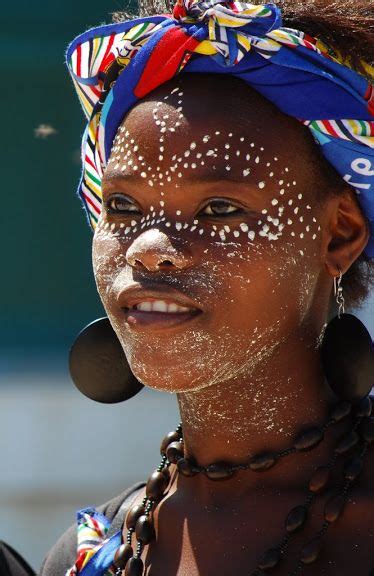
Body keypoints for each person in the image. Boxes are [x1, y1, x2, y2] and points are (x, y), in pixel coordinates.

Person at [40, 0, 374, 574]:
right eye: (121, 206)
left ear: (339, 233)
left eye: (219, 209)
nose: (148, 247)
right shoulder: (93, 556)